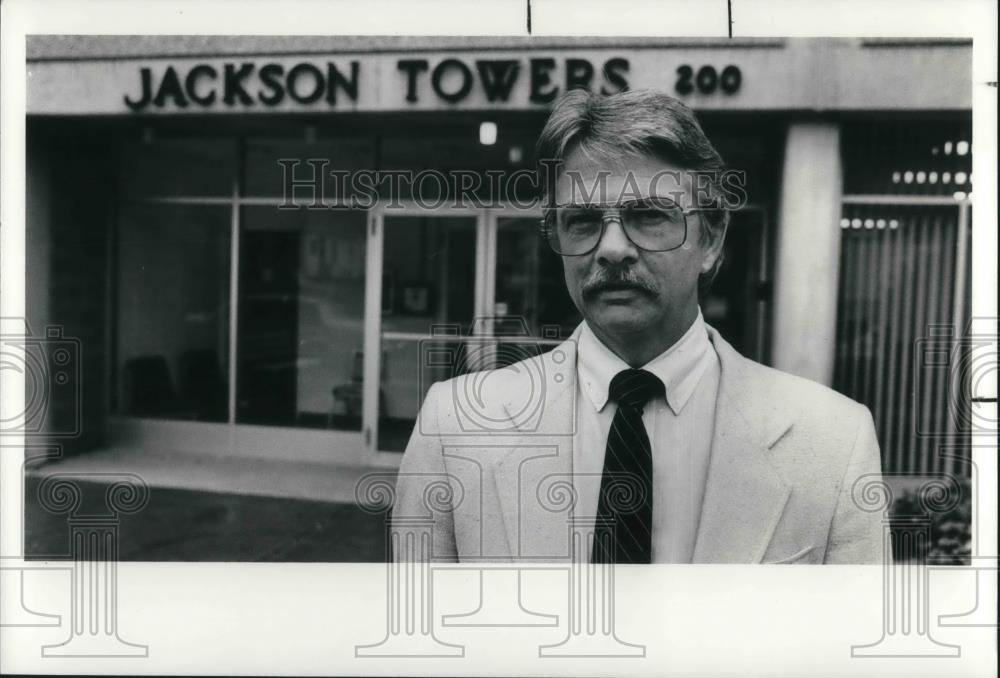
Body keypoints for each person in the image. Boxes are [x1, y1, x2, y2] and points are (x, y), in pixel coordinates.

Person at [391, 88, 887, 564]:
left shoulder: (834, 442)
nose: (611, 249)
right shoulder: (454, 427)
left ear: (711, 239)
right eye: (582, 220)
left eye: (648, 215)